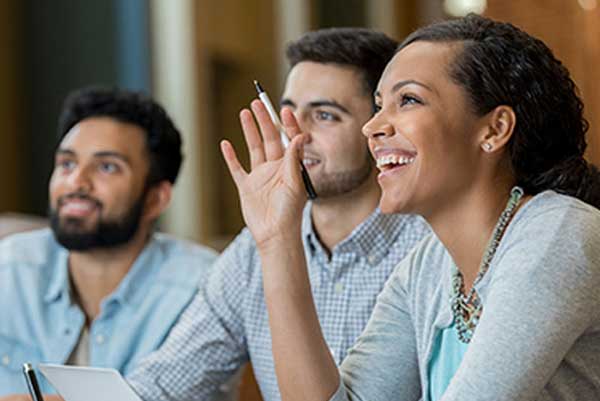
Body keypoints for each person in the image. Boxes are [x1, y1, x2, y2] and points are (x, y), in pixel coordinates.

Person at [221, 14, 600, 401]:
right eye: (379, 105)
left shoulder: (558, 234)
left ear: (494, 129)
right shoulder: (428, 267)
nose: (373, 127)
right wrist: (277, 237)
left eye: (409, 100)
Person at [127, 28, 430, 401]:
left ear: (379, 127)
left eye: (324, 115)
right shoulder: (253, 252)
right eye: (287, 111)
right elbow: (162, 386)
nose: (294, 135)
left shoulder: (429, 248)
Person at [0, 87, 217, 396]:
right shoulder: (9, 270)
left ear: (156, 199)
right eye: (67, 164)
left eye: (107, 167)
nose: (76, 182)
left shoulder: (202, 289)